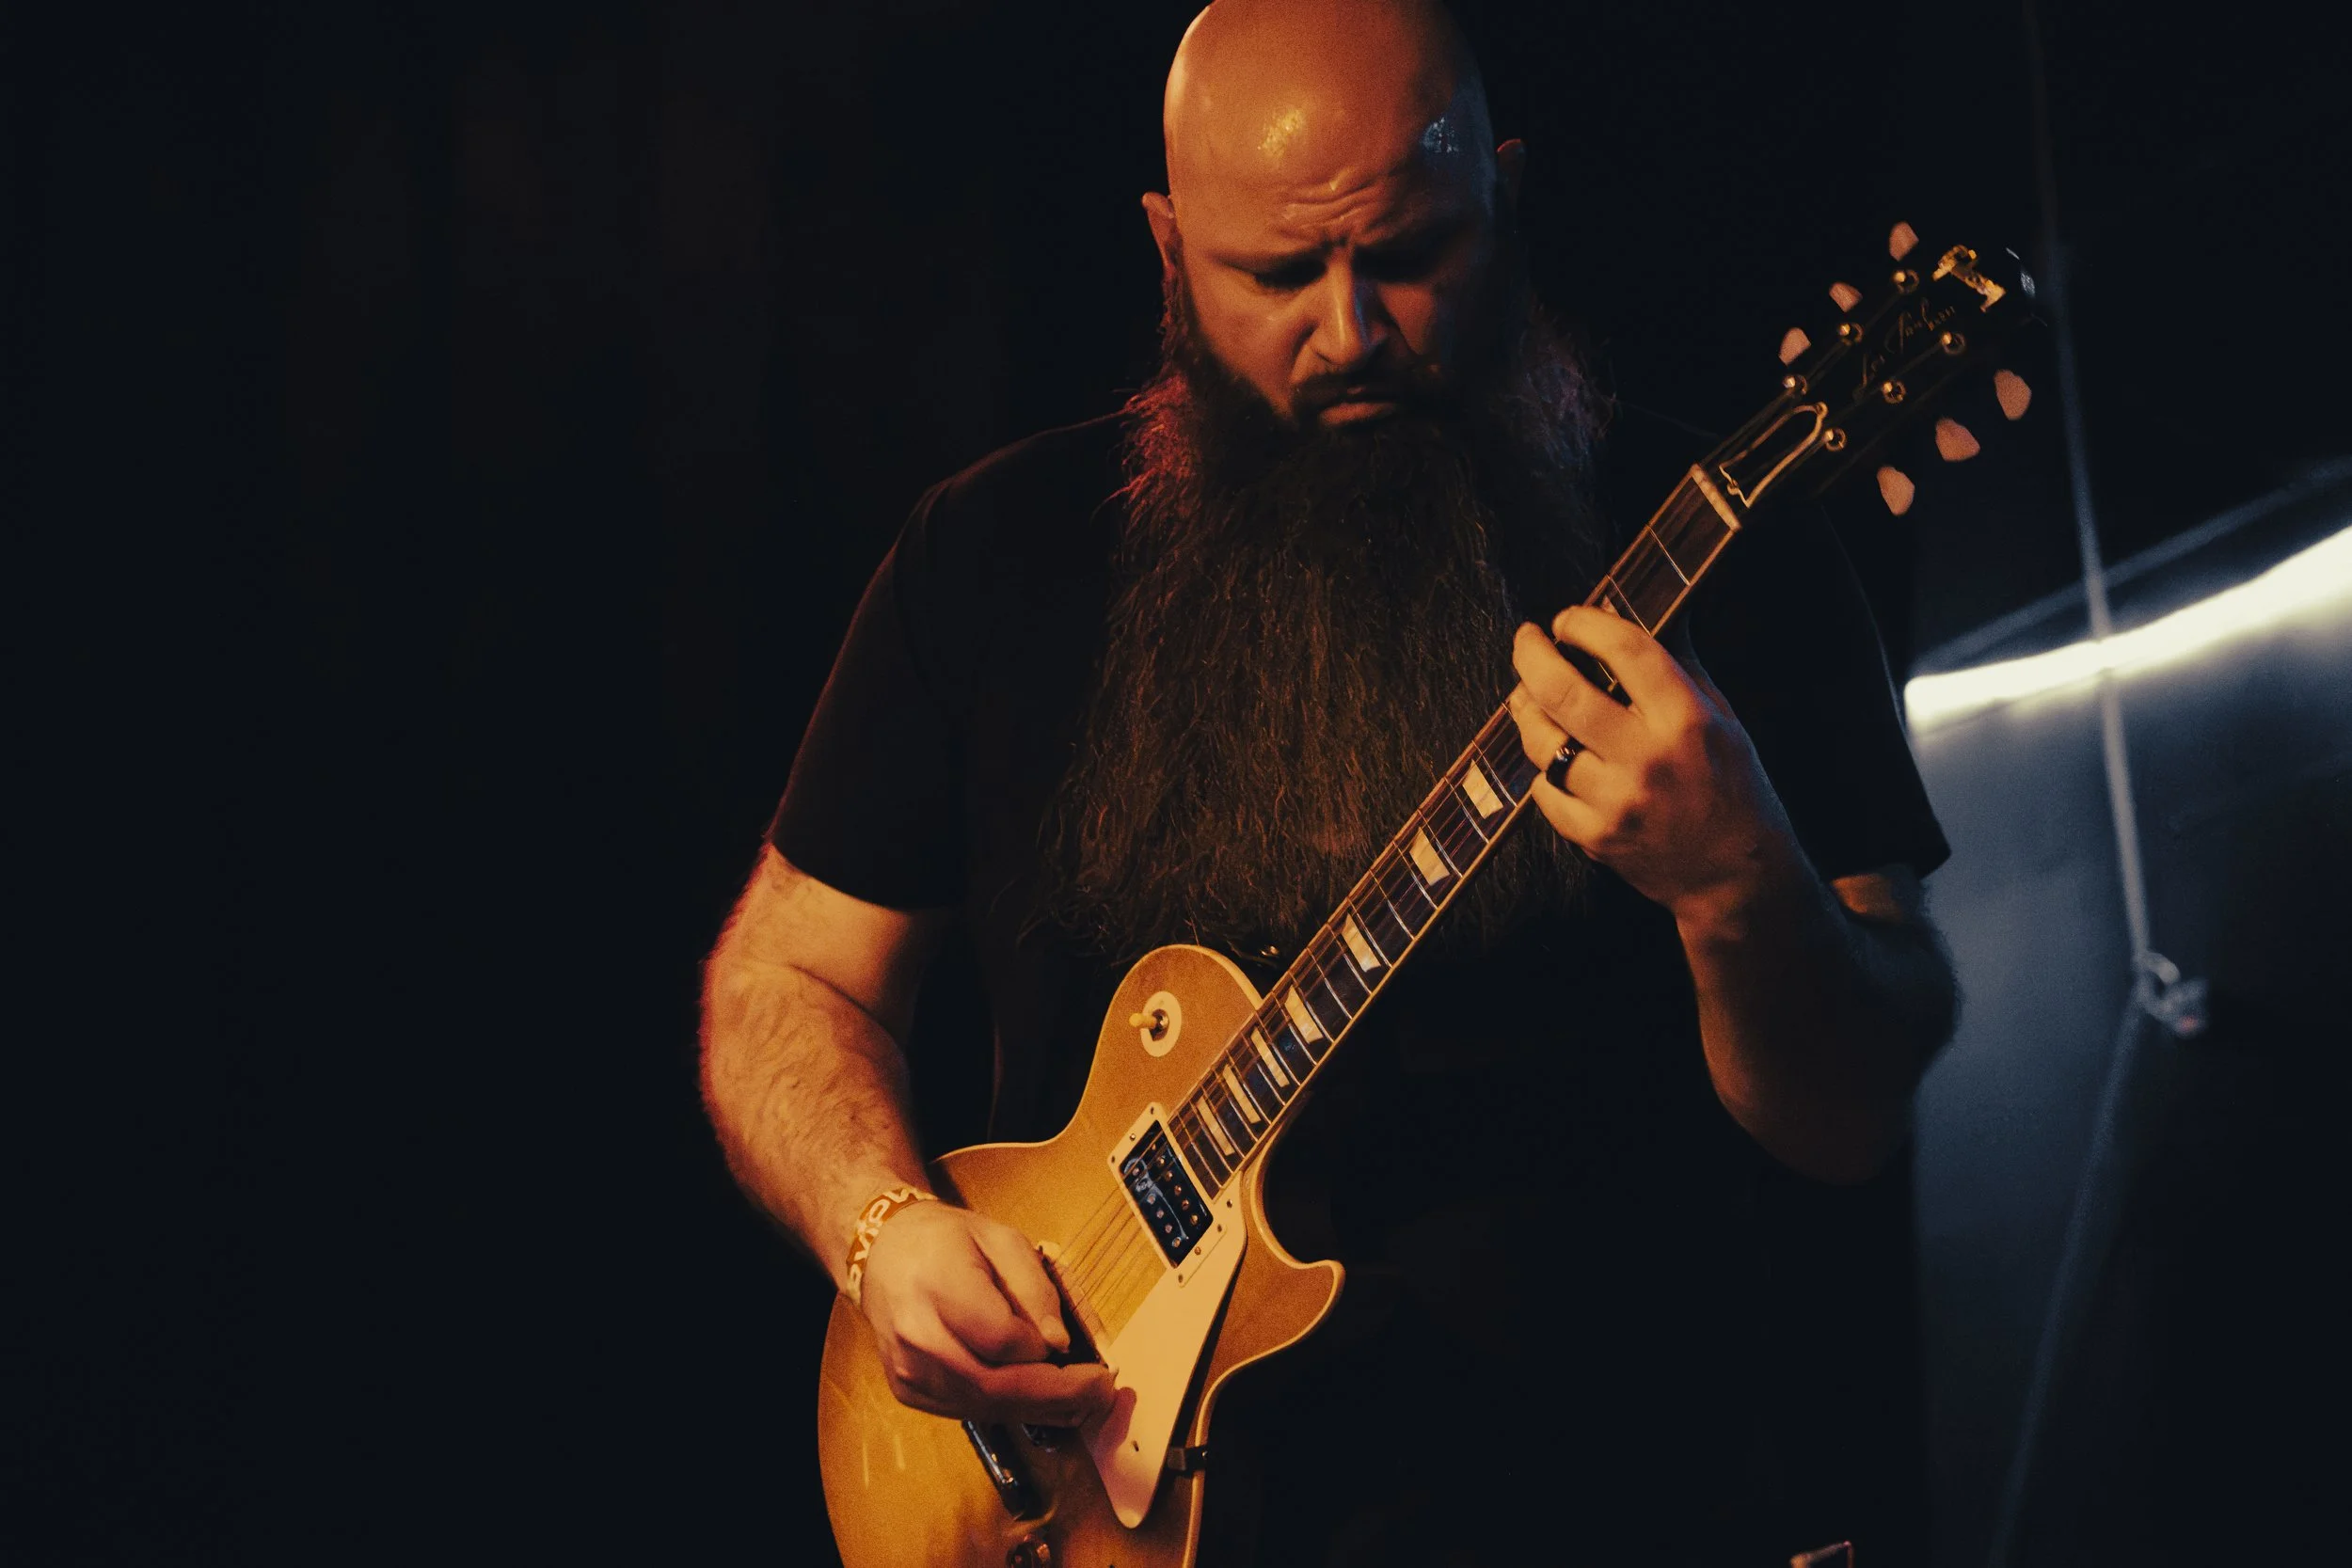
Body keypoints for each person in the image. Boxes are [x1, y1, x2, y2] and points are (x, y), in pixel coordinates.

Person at [701, 0, 1958, 1560]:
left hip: (1623, 1505)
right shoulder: (995, 558)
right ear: (1169, 249)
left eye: (1416, 251)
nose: (1354, 327)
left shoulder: (1726, 552)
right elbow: (785, 979)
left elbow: (1851, 1123)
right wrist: (880, 1229)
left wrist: (1736, 879)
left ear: (1506, 191)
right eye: (1279, 274)